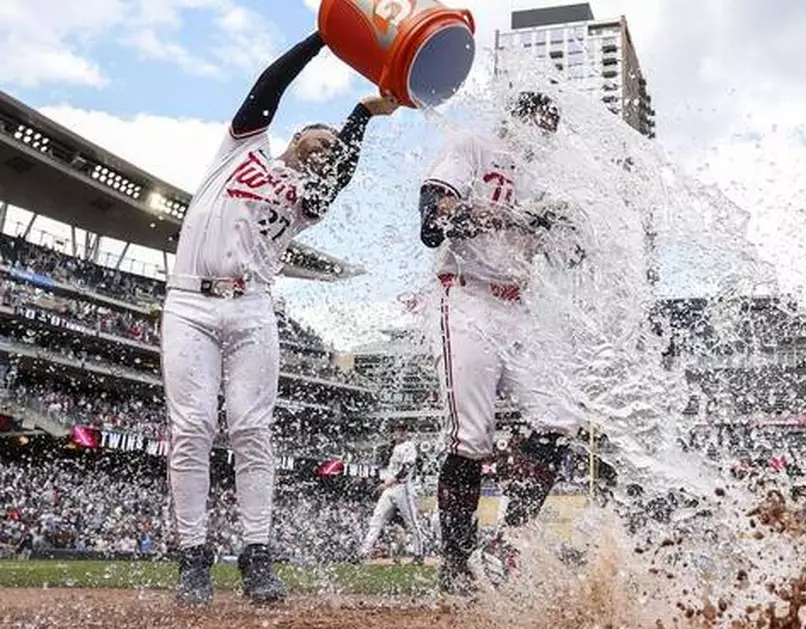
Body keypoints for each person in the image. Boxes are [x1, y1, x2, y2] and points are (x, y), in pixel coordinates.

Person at [162, 31, 399, 606]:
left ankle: (256, 554)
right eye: (318, 139)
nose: (324, 150)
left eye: (330, 147)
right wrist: (325, 36)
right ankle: (194, 559)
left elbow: (341, 171)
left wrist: (360, 114)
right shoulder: (241, 150)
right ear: (295, 137)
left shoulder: (306, 197)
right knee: (192, 427)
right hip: (190, 302)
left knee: (252, 430)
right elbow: (269, 85)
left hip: (251, 307)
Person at [418, 91, 585, 594]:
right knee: (471, 437)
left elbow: (570, 256)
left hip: (519, 306)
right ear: (517, 119)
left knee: (559, 419)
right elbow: (433, 216)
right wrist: (511, 216)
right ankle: (454, 565)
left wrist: (562, 229)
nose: (546, 133)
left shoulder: (546, 181)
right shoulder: (474, 145)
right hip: (466, 293)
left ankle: (506, 539)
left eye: (552, 127)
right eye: (540, 122)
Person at [359, 426, 428, 563]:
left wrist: (390, 481)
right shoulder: (393, 447)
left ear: (407, 433)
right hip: (390, 488)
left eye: (403, 431)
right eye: (397, 430)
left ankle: (419, 555)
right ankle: (363, 552)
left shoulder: (409, 446)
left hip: (402, 488)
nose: (400, 433)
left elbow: (407, 467)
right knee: (376, 519)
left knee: (412, 523)